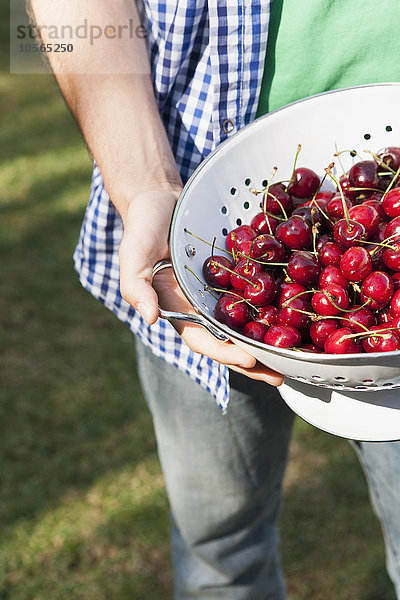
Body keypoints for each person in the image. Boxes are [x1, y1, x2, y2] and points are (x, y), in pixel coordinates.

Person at [29, 0, 400, 597]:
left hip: (312, 249)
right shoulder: (226, 251)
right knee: (219, 544)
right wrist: (145, 184)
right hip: (194, 241)